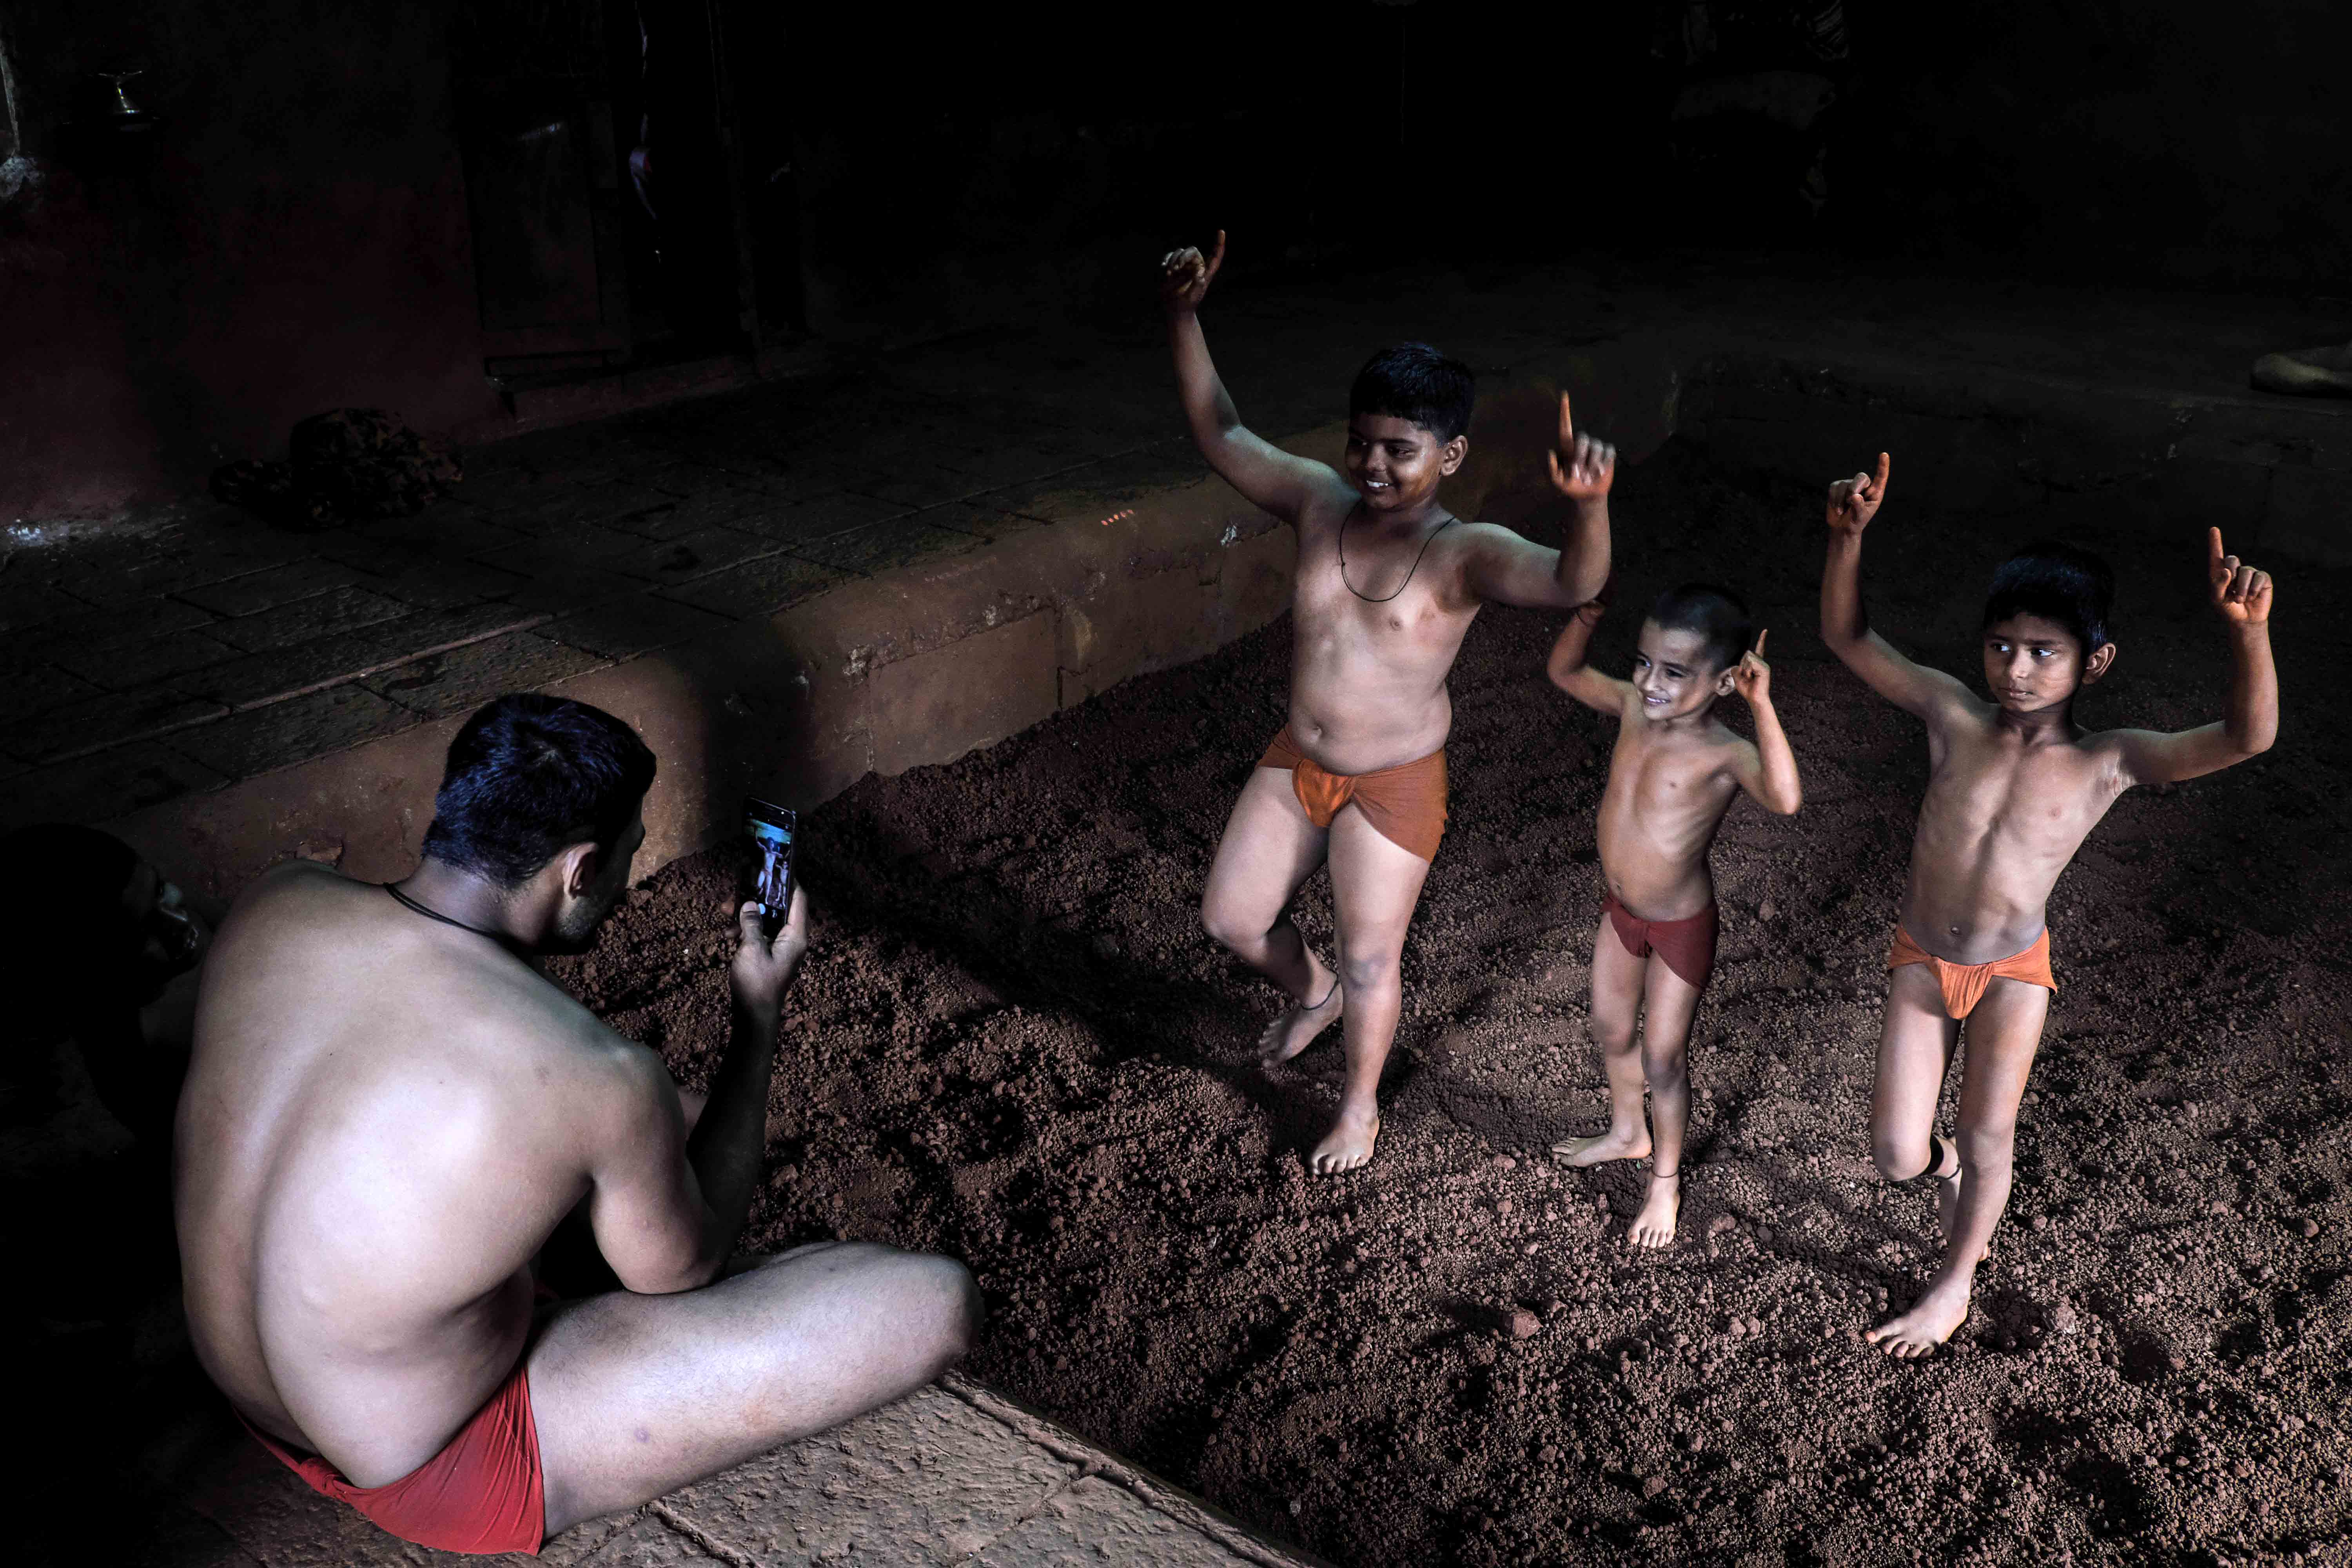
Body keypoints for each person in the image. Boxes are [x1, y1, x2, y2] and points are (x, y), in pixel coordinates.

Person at [176, 694, 978, 1554]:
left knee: (652, 1120)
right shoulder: (595, 1072)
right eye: (630, 856)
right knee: (928, 1301)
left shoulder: (280, 896)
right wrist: (759, 1013)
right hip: (430, 1464)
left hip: (252, 1387)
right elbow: (684, 1270)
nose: (629, 879)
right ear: (581, 869)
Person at [1164, 232, 1615, 1174]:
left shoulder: (1468, 552)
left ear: (1449, 455)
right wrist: (1184, 316)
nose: (1373, 464)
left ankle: (1359, 1107)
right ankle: (1311, 992)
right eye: (1362, 442)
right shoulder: (1318, 500)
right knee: (1232, 920)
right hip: (1300, 757)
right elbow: (1221, 432)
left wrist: (1589, 507)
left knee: (1377, 958)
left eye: (1400, 451)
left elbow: (1575, 583)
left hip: (1393, 782)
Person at [1818, 455, 2278, 1356]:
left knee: (1990, 1127)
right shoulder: (1952, 715)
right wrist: (1846, 540)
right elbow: (1848, 639)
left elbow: (2246, 737)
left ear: (2094, 661)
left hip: (2012, 970)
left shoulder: (2109, 760)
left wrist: (2250, 634)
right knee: (1896, 1155)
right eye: (2001, 646)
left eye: (2043, 652)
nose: (2016, 669)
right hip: (1923, 955)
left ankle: (1954, 1281)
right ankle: (1943, 1173)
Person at [1544, 584, 1801, 1245]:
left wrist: (1763, 707)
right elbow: (1565, 672)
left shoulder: (1724, 752)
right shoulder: (1633, 706)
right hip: (1621, 910)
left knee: (1663, 1058)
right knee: (1609, 1028)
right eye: (1644, 662)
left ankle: (1665, 1182)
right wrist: (1587, 616)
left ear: (1722, 683)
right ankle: (1629, 1131)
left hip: (1681, 926)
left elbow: (1785, 798)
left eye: (1675, 672)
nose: (1651, 683)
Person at [0, 823, 215, 1147]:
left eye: (161, 889)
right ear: (91, 975)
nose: (181, 922)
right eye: (141, 936)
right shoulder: (138, 1068)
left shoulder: (179, 926)